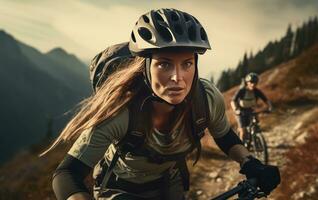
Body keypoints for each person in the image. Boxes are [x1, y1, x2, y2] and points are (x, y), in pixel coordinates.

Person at [44, 8, 280, 200]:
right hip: (120, 189)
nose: (178, 77)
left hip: (170, 184)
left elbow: (225, 135)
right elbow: (67, 174)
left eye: (187, 64)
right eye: (165, 64)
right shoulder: (120, 111)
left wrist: (251, 164)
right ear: (145, 68)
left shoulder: (206, 98)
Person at [231, 72, 273, 143]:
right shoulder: (242, 91)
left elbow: (265, 100)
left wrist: (270, 107)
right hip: (240, 111)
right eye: (251, 82)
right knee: (243, 131)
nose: (253, 84)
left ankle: (256, 138)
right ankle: (242, 147)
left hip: (251, 110)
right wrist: (236, 109)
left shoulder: (256, 91)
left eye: (255, 83)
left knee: (256, 125)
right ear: (247, 82)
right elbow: (233, 101)